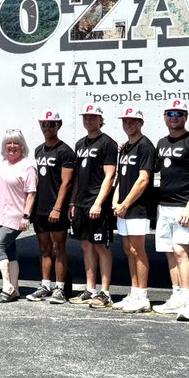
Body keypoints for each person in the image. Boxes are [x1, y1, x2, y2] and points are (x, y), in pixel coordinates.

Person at [151, 98, 189, 321]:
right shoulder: (161, 143)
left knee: (180, 251)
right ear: (165, 117)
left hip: (184, 207)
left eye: (178, 114)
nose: (174, 118)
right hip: (164, 205)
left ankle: (186, 302)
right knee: (169, 252)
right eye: (170, 114)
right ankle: (176, 297)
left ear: (185, 117)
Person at [69, 104, 118, 308]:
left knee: (101, 246)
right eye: (86, 117)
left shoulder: (108, 143)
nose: (88, 121)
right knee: (86, 245)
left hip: (97, 204)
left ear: (100, 120)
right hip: (81, 203)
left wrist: (98, 203)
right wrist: (73, 202)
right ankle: (90, 289)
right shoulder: (80, 144)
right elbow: (77, 177)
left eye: (92, 117)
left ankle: (105, 292)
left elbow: (110, 176)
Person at [28, 109, 76, 304]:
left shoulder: (65, 151)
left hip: (57, 209)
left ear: (59, 125)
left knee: (59, 248)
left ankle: (60, 288)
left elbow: (67, 182)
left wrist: (57, 208)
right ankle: (45, 285)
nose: (47, 128)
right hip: (40, 208)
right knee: (44, 248)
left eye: (51, 124)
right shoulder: (39, 150)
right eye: (44, 124)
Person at [111, 105, 156, 313]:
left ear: (141, 123)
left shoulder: (145, 146)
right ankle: (134, 292)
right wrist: (116, 200)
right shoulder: (125, 148)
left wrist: (126, 203)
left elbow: (143, 179)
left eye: (132, 121)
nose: (128, 124)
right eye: (125, 121)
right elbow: (121, 177)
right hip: (123, 208)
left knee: (138, 251)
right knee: (128, 250)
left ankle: (143, 296)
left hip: (137, 208)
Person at [0, 130, 37, 303]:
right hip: (0, 215)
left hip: (15, 216)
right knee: (10, 251)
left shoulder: (27, 166)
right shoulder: (2, 163)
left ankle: (7, 286)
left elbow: (31, 193)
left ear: (22, 146)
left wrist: (26, 216)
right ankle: (15, 289)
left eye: (16, 143)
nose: (12, 146)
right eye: (8, 143)